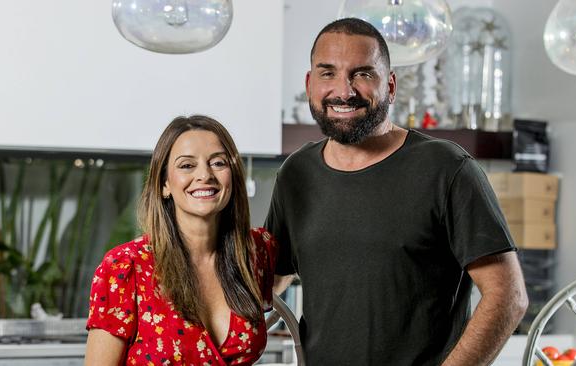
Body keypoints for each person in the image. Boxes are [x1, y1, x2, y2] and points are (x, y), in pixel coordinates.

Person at [266, 18, 528, 365]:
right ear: (309, 83)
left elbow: (507, 296)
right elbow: (270, 280)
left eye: (362, 73)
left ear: (390, 86)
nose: (344, 91)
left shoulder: (446, 168)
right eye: (327, 73)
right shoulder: (296, 173)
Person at [85, 115, 277, 365]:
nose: (205, 175)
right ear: (165, 183)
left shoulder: (254, 252)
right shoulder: (125, 268)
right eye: (187, 166)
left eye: (218, 163)